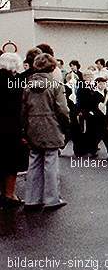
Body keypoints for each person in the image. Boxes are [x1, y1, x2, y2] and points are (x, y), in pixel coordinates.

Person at [21, 53, 70, 211]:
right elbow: (62, 110)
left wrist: (24, 129)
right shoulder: (55, 85)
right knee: (51, 162)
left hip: (32, 126)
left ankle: (31, 199)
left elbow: (23, 110)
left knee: (34, 162)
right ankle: (51, 199)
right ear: (53, 67)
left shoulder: (27, 85)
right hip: (51, 125)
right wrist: (65, 125)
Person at [0, 53, 28, 208]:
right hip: (10, 127)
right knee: (11, 162)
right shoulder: (14, 83)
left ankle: (2, 193)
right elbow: (20, 107)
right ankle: (10, 194)